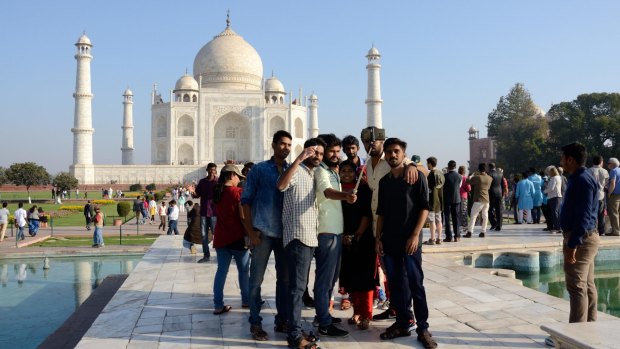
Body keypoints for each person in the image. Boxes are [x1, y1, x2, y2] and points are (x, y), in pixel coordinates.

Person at [374, 137, 437, 348]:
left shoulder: (416, 177)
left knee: (415, 284)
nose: (392, 155)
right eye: (389, 152)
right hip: (389, 241)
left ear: (403, 154)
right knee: (396, 285)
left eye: (396, 151)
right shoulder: (384, 182)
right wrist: (378, 239)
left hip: (410, 241)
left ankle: (423, 328)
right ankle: (402, 322)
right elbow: (381, 213)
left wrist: (415, 236)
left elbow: (424, 207)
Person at [240, 131, 292, 342]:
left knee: (285, 281)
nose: (285, 148)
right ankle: (255, 323)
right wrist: (250, 231)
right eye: (282, 144)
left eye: (289, 144)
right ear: (273, 145)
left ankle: (282, 320)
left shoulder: (293, 170)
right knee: (256, 281)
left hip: (285, 233)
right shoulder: (260, 170)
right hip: (262, 233)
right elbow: (246, 201)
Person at [276, 138, 325, 349]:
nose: (317, 156)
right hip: (298, 237)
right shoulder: (297, 170)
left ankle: (292, 326)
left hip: (309, 237)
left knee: (296, 287)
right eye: (314, 152)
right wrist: (299, 157)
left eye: (320, 154)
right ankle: (295, 336)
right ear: (306, 151)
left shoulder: (312, 174)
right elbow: (281, 184)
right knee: (297, 289)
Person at [312, 133, 356, 338]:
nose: (336, 155)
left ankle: (323, 314)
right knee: (324, 279)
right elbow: (328, 193)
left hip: (336, 232)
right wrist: (346, 196)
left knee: (331, 279)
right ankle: (323, 322)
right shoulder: (321, 171)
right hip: (326, 232)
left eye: (338, 151)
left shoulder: (333, 171)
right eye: (332, 151)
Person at [559, 142, 600, 323]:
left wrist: (573, 243)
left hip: (581, 238)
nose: (561, 162)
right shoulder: (581, 177)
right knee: (587, 285)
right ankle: (589, 328)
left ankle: (575, 335)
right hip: (586, 236)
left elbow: (584, 216)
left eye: (563, 158)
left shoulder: (583, 180)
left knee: (576, 287)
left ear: (570, 159)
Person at [338, 160, 376, 330]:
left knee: (365, 279)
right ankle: (357, 311)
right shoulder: (336, 191)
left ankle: (367, 314)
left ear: (356, 172)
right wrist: (344, 236)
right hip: (344, 240)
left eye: (350, 171)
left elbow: (367, 214)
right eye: (343, 170)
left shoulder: (363, 189)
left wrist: (355, 235)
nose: (346, 174)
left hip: (363, 239)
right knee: (352, 279)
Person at [212, 164, 250, 315]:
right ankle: (246, 300)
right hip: (238, 237)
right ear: (232, 176)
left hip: (221, 237)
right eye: (238, 177)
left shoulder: (217, 192)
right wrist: (250, 234)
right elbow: (242, 216)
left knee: (221, 271)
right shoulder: (237, 192)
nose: (238, 180)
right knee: (243, 271)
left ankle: (218, 305)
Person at [189, 163, 218, 263]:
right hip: (204, 212)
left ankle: (221, 254)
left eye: (213, 170)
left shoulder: (218, 182)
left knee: (217, 234)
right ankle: (206, 255)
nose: (211, 171)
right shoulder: (202, 182)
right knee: (204, 235)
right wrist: (193, 192)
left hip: (214, 212)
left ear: (215, 170)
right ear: (207, 170)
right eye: (210, 169)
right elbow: (197, 195)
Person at [465, 163, 492, 238]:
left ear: (479, 169)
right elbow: (488, 188)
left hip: (478, 199)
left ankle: (470, 232)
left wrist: (471, 176)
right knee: (485, 216)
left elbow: (467, 181)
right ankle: (483, 232)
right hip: (486, 199)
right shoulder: (490, 178)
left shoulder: (477, 177)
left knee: (473, 215)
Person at [424, 157, 443, 245]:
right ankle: (439, 238)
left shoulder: (430, 175)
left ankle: (432, 239)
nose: (427, 165)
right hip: (439, 200)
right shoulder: (441, 173)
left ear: (430, 164)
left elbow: (428, 189)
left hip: (432, 200)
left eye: (427, 163)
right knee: (439, 220)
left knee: (432, 221)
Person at [588, 155, 609, 236]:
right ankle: (602, 231)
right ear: (601, 162)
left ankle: (593, 229)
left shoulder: (589, 171)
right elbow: (606, 183)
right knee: (601, 214)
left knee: (592, 213)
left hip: (591, 195)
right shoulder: (605, 171)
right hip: (601, 194)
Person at [442, 160, 461, 243]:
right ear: (455, 166)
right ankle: (457, 236)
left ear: (448, 166)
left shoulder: (444, 176)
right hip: (456, 199)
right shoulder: (459, 176)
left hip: (447, 199)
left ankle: (448, 236)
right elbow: (459, 187)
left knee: (447, 218)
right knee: (456, 218)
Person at [544, 166, 563, 233]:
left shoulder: (554, 178)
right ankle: (557, 227)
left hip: (554, 197)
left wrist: (544, 191)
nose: (549, 173)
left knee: (555, 213)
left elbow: (551, 188)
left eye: (549, 172)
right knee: (556, 212)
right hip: (556, 196)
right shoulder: (558, 178)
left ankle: (557, 227)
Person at [488, 162, 505, 231]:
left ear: (489, 167)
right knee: (499, 210)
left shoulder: (489, 174)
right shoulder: (500, 174)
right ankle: (499, 225)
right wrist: (502, 193)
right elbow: (502, 185)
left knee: (490, 210)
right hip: (499, 193)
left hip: (491, 193)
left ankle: (494, 223)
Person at [606, 157, 620, 236]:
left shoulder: (613, 171)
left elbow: (612, 183)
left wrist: (609, 193)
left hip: (615, 195)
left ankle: (616, 231)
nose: (607, 164)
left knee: (614, 213)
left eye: (608, 163)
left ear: (612, 164)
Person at [458, 166, 471, 235]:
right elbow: (469, 188)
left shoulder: (456, 177)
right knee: (464, 211)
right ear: (464, 171)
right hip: (463, 196)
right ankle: (465, 226)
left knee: (458, 211)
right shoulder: (465, 178)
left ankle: (458, 226)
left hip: (456, 196)